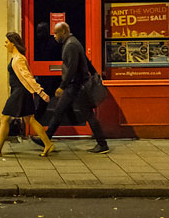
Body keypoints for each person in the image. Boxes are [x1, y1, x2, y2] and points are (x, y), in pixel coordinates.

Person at [32, 22, 110, 154]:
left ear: (63, 32)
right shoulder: (72, 43)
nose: (54, 36)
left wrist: (62, 86)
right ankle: (46, 138)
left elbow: (72, 68)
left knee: (86, 114)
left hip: (76, 85)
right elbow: (85, 59)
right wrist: (95, 72)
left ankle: (102, 144)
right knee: (60, 110)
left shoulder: (71, 45)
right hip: (75, 85)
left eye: (56, 33)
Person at [0, 32, 54, 158]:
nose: (5, 45)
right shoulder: (16, 57)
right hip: (19, 91)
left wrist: (40, 92)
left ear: (13, 43)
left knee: (5, 117)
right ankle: (48, 144)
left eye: (7, 42)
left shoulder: (19, 59)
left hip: (20, 92)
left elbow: (28, 77)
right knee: (30, 119)